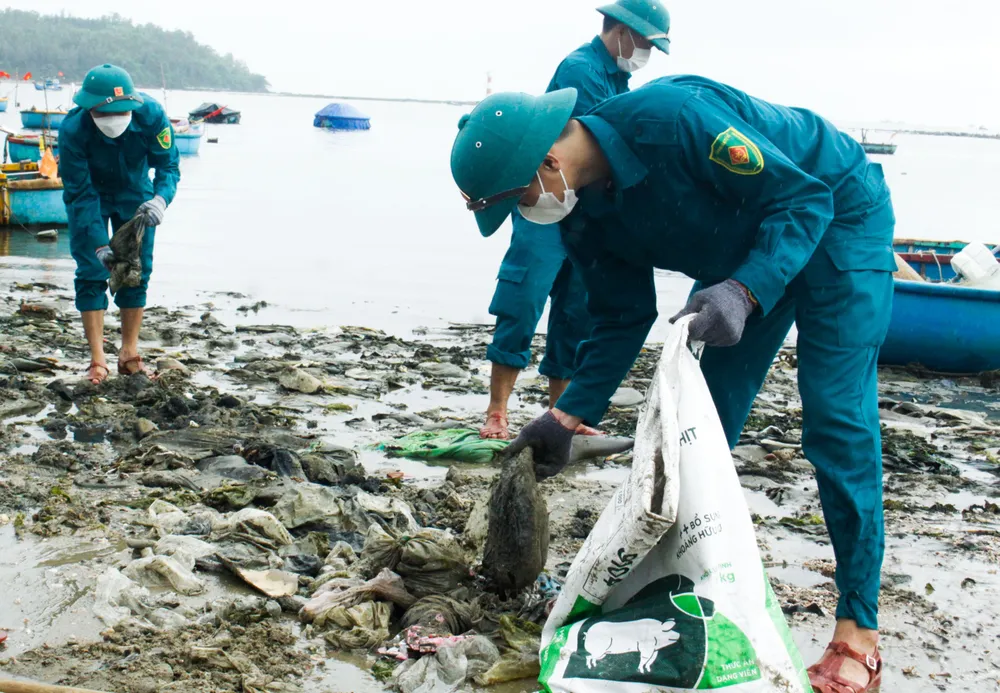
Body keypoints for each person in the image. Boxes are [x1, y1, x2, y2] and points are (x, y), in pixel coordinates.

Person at [450, 77, 895, 693]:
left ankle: (857, 630)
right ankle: (692, 592)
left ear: (547, 162)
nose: (527, 213)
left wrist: (743, 290)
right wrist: (567, 416)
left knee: (836, 420)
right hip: (745, 248)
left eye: (520, 198)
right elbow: (620, 318)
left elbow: (803, 199)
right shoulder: (581, 214)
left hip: (835, 211)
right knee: (698, 427)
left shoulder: (675, 120)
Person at [479, 0, 670, 440]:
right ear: (621, 30)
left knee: (575, 311)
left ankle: (561, 413)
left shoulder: (620, 80)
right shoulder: (581, 69)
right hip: (547, 199)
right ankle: (496, 412)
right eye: (645, 42)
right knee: (523, 297)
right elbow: (605, 138)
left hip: (587, 214)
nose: (645, 53)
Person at [59, 64, 180, 384]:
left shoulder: (151, 115)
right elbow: (80, 193)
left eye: (121, 112)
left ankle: (128, 352)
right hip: (91, 197)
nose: (114, 121)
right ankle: (97, 360)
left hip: (135, 196)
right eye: (104, 115)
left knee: (134, 270)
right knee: (90, 271)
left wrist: (160, 200)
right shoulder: (72, 129)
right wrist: (99, 243)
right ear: (89, 108)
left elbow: (168, 165)